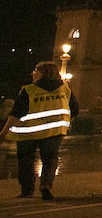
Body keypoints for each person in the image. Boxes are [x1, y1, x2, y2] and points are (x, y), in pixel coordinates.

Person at [2, 60, 78, 199]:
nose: (33, 73)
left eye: (36, 70)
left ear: (43, 73)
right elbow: (75, 109)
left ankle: (27, 189)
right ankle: (46, 184)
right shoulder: (64, 89)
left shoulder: (29, 90)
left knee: (26, 160)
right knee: (49, 159)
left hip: (28, 132)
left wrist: (3, 132)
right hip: (54, 131)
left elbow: (15, 113)